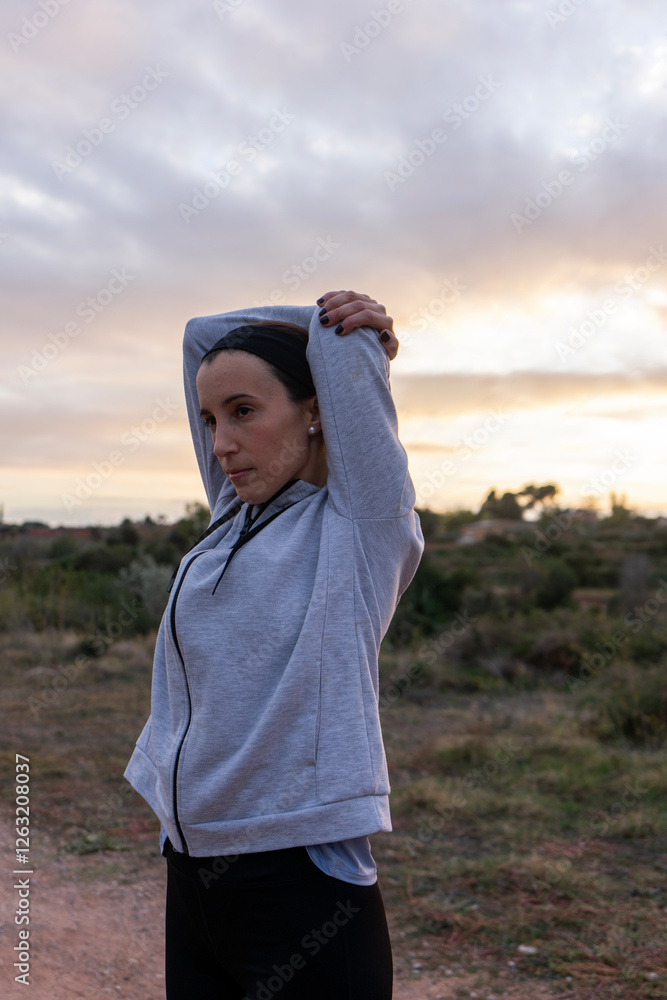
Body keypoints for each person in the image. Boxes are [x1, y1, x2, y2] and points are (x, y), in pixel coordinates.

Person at [123, 289, 425, 999]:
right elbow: (200, 334)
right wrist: (310, 330)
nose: (220, 443)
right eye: (210, 419)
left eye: (244, 412)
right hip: (193, 869)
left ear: (316, 410)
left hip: (297, 880)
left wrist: (346, 339)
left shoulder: (360, 527)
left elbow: (332, 370)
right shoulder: (233, 514)